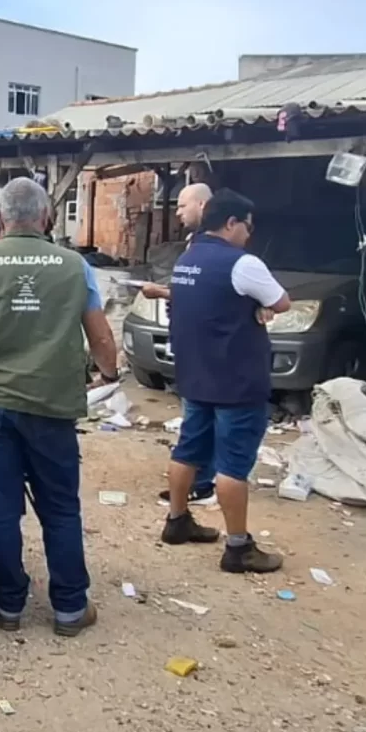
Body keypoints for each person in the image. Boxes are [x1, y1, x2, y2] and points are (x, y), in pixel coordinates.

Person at [0, 178, 118, 636]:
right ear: (46, 217)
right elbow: (101, 337)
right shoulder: (75, 266)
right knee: (60, 506)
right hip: (52, 405)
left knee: (0, 507)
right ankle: (70, 607)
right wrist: (108, 373)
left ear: (1, 218)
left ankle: (7, 604)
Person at [161, 188, 290, 573]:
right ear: (231, 223)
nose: (249, 234)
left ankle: (177, 520)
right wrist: (259, 307)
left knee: (188, 450)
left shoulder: (187, 259)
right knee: (233, 465)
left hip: (194, 376)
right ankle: (238, 547)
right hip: (235, 381)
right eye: (247, 226)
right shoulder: (243, 263)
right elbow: (281, 302)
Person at [140, 181, 218, 508]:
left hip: (206, 344)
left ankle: (201, 483)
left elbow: (205, 292)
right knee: (195, 413)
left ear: (202, 205)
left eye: (183, 205)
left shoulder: (216, 249)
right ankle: (194, 480)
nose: (178, 213)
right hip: (189, 340)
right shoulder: (195, 243)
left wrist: (161, 292)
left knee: (201, 415)